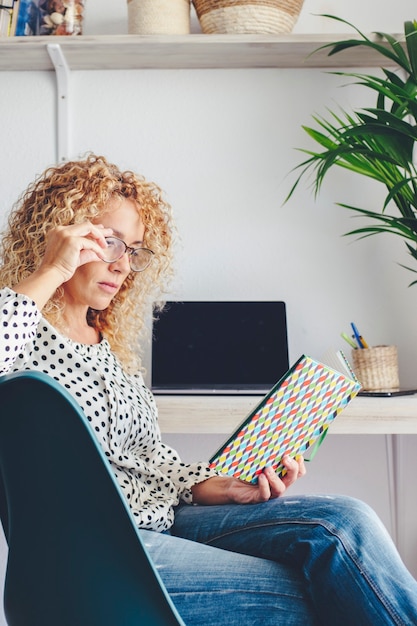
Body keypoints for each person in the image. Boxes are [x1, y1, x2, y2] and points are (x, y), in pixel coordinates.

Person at [0, 154, 416, 626]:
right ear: (61, 235)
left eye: (134, 251)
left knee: (344, 525)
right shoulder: (23, 327)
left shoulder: (107, 344)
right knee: (308, 589)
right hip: (97, 549)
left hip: (162, 518)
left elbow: (147, 458)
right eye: (109, 242)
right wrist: (52, 270)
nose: (124, 266)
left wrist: (214, 485)